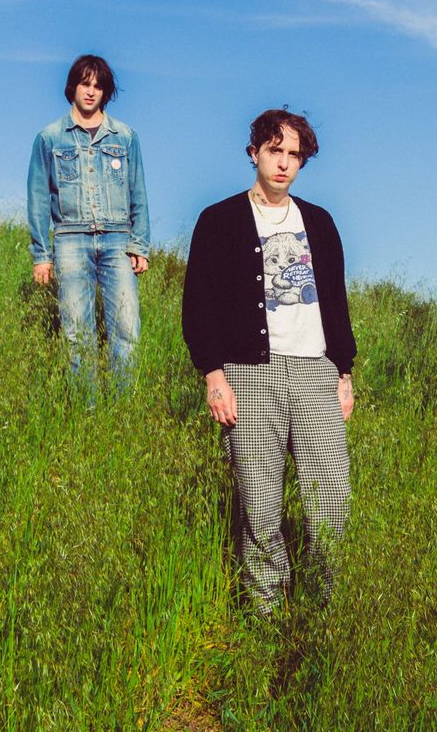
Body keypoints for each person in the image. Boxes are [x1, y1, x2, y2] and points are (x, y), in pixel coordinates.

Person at [182, 109, 355, 614]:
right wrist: (214, 375)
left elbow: (336, 302)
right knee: (260, 505)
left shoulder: (319, 223)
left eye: (293, 154)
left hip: (315, 372)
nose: (283, 163)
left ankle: (329, 611)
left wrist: (344, 372)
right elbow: (199, 304)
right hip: (249, 373)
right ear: (255, 152)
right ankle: (266, 618)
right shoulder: (218, 220)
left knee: (332, 500)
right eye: (274, 150)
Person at [27, 54, 150, 383]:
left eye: (98, 86)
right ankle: (88, 413)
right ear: (73, 87)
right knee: (77, 332)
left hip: (118, 241)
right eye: (85, 84)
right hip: (70, 240)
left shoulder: (125, 137)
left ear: (106, 91)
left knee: (126, 329)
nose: (91, 91)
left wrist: (140, 244)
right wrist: (41, 255)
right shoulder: (50, 137)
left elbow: (137, 191)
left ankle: (122, 413)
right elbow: (38, 197)